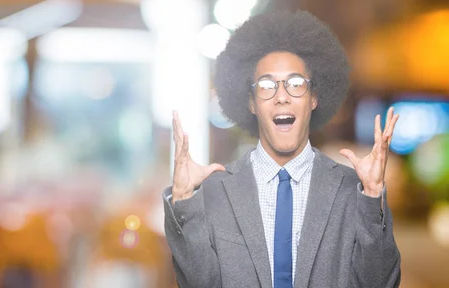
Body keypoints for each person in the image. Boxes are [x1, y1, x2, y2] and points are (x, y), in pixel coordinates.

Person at [163, 10, 401, 288]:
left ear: (313, 98)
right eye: (266, 86)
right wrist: (183, 198)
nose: (282, 97)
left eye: (296, 84)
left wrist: (373, 196)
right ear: (252, 103)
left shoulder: (351, 191)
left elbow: (381, 283)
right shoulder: (215, 192)